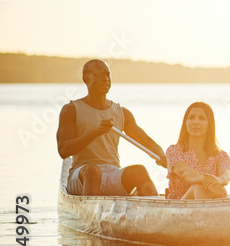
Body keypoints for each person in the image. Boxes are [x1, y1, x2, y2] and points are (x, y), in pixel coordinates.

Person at [57, 59, 166, 196]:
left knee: (139, 171)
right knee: (93, 171)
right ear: (86, 79)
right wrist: (95, 132)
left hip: (112, 173)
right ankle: (92, 216)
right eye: (98, 75)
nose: (105, 79)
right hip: (82, 173)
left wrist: (162, 155)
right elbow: (63, 151)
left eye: (107, 75)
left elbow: (146, 141)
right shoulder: (71, 110)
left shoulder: (122, 112)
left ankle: (155, 213)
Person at [165, 102, 230, 200]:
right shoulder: (174, 151)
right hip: (179, 207)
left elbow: (225, 176)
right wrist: (208, 180)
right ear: (185, 123)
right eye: (191, 118)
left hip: (211, 206)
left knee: (221, 190)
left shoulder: (221, 156)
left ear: (209, 125)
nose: (195, 122)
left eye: (202, 118)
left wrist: (218, 180)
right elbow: (185, 173)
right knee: (199, 187)